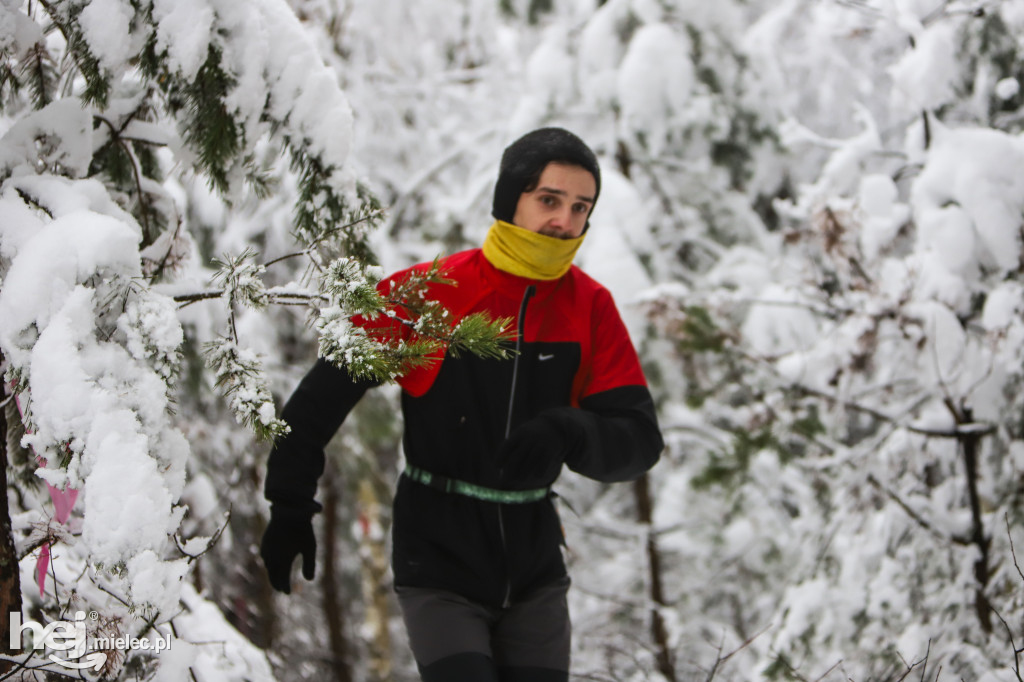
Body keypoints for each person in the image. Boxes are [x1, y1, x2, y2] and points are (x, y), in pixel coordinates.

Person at [260, 127, 664, 682]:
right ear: (508, 199)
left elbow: (640, 441)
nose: (564, 222)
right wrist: (288, 502)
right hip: (438, 556)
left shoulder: (590, 306)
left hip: (535, 567)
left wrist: (570, 431)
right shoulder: (428, 292)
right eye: (549, 200)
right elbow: (316, 403)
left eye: (580, 207)